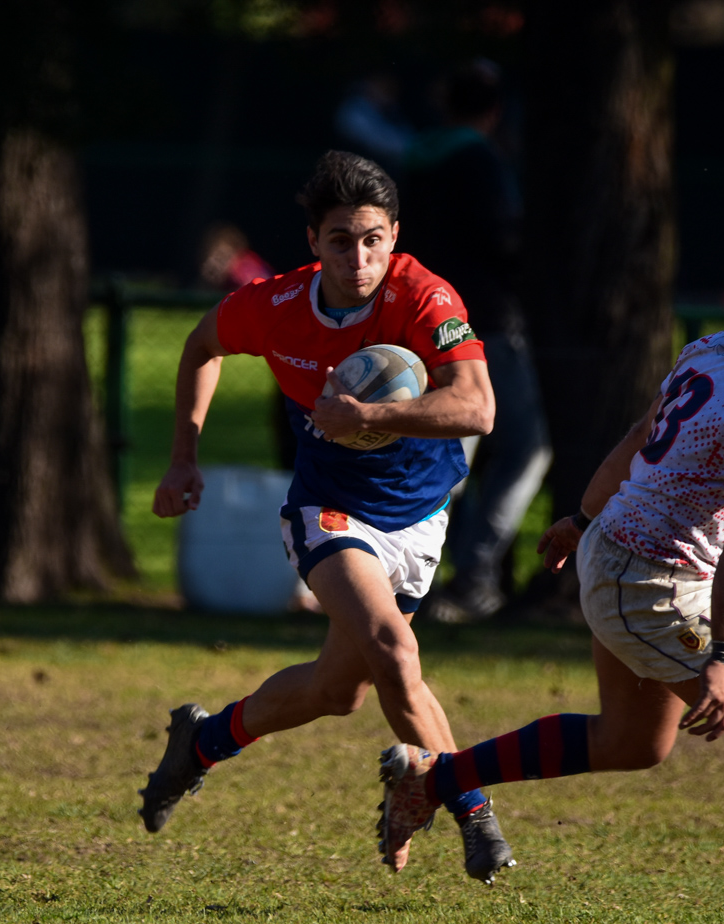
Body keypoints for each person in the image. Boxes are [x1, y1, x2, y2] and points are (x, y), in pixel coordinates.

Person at [378, 234, 724, 924]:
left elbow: (641, 433)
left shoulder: (722, 346)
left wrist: (580, 515)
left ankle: (433, 778)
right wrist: (722, 656)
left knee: (632, 741)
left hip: (620, 556)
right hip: (653, 582)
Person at [139, 150, 516, 884]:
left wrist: (368, 413)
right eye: (340, 239)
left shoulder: (424, 297)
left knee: (335, 690)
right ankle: (476, 814)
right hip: (328, 509)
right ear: (313, 241)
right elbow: (201, 345)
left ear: (394, 235)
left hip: (419, 512)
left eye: (373, 237)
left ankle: (203, 740)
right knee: (396, 651)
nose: (360, 256)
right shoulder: (275, 305)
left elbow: (478, 406)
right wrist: (184, 455)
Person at [399, 61, 550, 622]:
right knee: (525, 448)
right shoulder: (483, 161)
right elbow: (502, 240)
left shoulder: (418, 157)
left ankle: (413, 572)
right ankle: (475, 572)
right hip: (486, 324)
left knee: (448, 454)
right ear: (495, 110)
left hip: (428, 322)